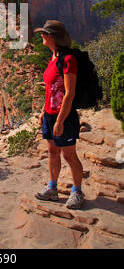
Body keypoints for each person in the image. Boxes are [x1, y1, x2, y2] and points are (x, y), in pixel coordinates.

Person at [33, 20, 85, 209]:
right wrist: (42, 112)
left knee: (69, 156)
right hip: (49, 114)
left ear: (52, 37)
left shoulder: (68, 60)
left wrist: (60, 120)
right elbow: (50, 89)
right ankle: (52, 188)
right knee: (53, 152)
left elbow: (69, 93)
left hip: (64, 116)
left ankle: (77, 191)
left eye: (44, 34)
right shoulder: (52, 58)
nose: (41, 37)